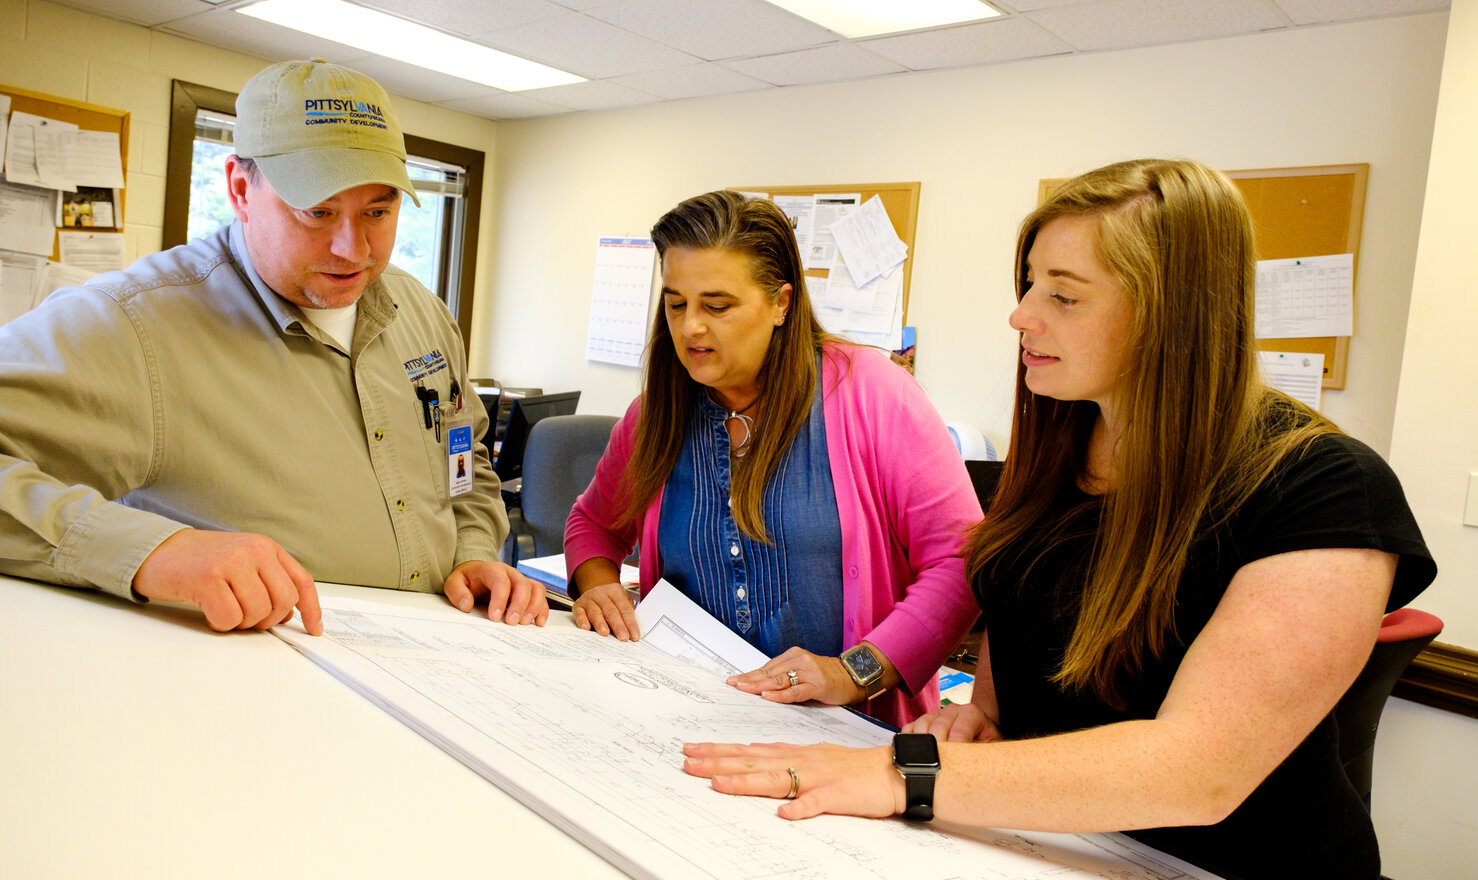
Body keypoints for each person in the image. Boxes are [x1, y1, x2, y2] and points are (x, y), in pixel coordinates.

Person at [680, 159, 1436, 880]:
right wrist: (977, 723)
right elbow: (1011, 674)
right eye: (1029, 284)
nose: (1021, 316)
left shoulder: (1326, 488)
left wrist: (900, 773)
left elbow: (1199, 771)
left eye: (1063, 297)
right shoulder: (1058, 452)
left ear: (1177, 314)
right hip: (1050, 844)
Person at [0, 60, 546, 636]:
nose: (353, 248)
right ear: (240, 188)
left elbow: (464, 459)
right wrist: (155, 552)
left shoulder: (423, 314)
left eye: (378, 213)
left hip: (432, 661)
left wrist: (473, 552)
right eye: (318, 211)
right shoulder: (133, 322)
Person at [563, 190, 982, 727]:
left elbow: (960, 562)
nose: (691, 327)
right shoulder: (655, 414)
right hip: (683, 712)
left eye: (717, 306)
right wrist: (598, 586)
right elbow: (593, 524)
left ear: (782, 303)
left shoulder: (874, 394)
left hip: (849, 730)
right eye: (676, 303)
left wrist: (855, 672)